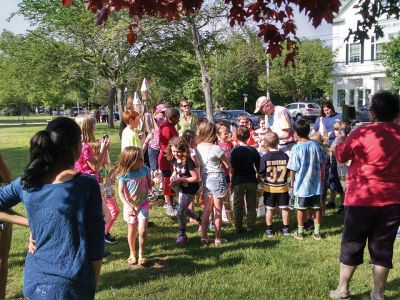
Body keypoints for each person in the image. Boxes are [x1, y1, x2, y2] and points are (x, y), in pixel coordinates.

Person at [0, 117, 104, 299]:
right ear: (76, 147)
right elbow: (96, 239)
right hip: (72, 284)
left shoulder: (27, 182)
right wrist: (93, 282)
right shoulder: (86, 185)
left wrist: (30, 223)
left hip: (34, 280)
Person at [329, 91, 400, 300]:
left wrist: (342, 137)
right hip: (392, 199)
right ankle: (378, 293)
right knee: (382, 246)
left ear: (372, 113)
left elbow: (341, 156)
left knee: (352, 243)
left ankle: (342, 289)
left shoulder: (362, 133)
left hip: (361, 197)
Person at [287, 119, 325, 240]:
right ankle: (317, 232)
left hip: (301, 185)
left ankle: (300, 232)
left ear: (296, 133)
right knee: (316, 208)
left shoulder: (296, 148)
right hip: (315, 184)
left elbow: (292, 169)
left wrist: (291, 184)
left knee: (301, 209)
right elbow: (323, 161)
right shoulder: (316, 145)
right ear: (308, 131)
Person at [116, 147, 153, 266]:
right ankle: (132, 253)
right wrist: (128, 205)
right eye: (140, 159)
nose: (143, 161)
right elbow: (120, 192)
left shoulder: (145, 169)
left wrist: (153, 182)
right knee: (132, 231)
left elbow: (150, 184)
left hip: (143, 203)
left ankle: (142, 253)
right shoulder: (124, 175)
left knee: (142, 230)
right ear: (131, 160)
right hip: (130, 206)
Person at [197, 121, 231, 246]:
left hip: (206, 177)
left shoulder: (198, 147)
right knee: (217, 210)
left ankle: (204, 237)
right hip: (217, 177)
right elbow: (228, 165)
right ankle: (217, 238)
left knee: (207, 209)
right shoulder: (217, 148)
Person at [167, 137, 201, 246]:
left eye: (178, 151)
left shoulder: (188, 162)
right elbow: (176, 171)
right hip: (181, 188)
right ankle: (201, 219)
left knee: (180, 211)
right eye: (173, 151)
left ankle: (182, 234)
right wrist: (173, 177)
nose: (176, 154)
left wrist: (180, 179)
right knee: (184, 209)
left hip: (190, 189)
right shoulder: (174, 160)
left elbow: (195, 177)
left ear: (183, 150)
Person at [311, 101, 343, 209]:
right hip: (324, 150)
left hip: (335, 149)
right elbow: (313, 132)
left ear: (332, 108)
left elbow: (345, 131)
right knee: (326, 176)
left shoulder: (339, 116)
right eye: (324, 111)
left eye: (328, 110)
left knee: (335, 174)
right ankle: (330, 202)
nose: (326, 112)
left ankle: (338, 201)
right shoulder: (320, 119)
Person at [259, 132, 290, 238]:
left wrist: (262, 180)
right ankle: (285, 228)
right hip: (283, 187)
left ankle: (269, 230)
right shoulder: (285, 156)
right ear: (278, 142)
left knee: (269, 208)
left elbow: (261, 173)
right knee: (284, 208)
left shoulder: (265, 157)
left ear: (266, 144)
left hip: (270, 188)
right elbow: (289, 171)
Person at [230, 126, 260, 234]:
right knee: (251, 205)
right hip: (251, 180)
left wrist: (231, 182)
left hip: (238, 181)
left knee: (238, 205)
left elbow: (232, 169)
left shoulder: (234, 151)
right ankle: (250, 227)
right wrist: (259, 179)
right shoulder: (253, 150)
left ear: (236, 137)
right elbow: (259, 167)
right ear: (249, 136)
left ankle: (238, 228)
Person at [158, 108, 180, 216]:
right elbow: (165, 145)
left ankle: (172, 203)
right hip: (167, 159)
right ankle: (169, 206)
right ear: (172, 118)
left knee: (172, 181)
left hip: (171, 158)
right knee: (168, 182)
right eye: (177, 118)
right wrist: (170, 158)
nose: (178, 121)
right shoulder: (166, 128)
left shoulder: (170, 126)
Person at [101, 166, 120, 244]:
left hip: (107, 191)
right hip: (104, 192)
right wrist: (113, 169)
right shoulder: (100, 163)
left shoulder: (104, 163)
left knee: (109, 212)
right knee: (114, 211)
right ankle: (104, 233)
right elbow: (105, 180)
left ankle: (105, 231)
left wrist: (114, 171)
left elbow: (110, 181)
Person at [148, 104, 167, 176]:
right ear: (158, 112)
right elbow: (158, 129)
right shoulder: (154, 119)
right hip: (153, 146)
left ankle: (161, 185)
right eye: (162, 112)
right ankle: (152, 184)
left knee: (161, 168)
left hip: (162, 147)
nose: (164, 114)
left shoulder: (164, 120)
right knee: (153, 169)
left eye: (165, 112)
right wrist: (153, 117)